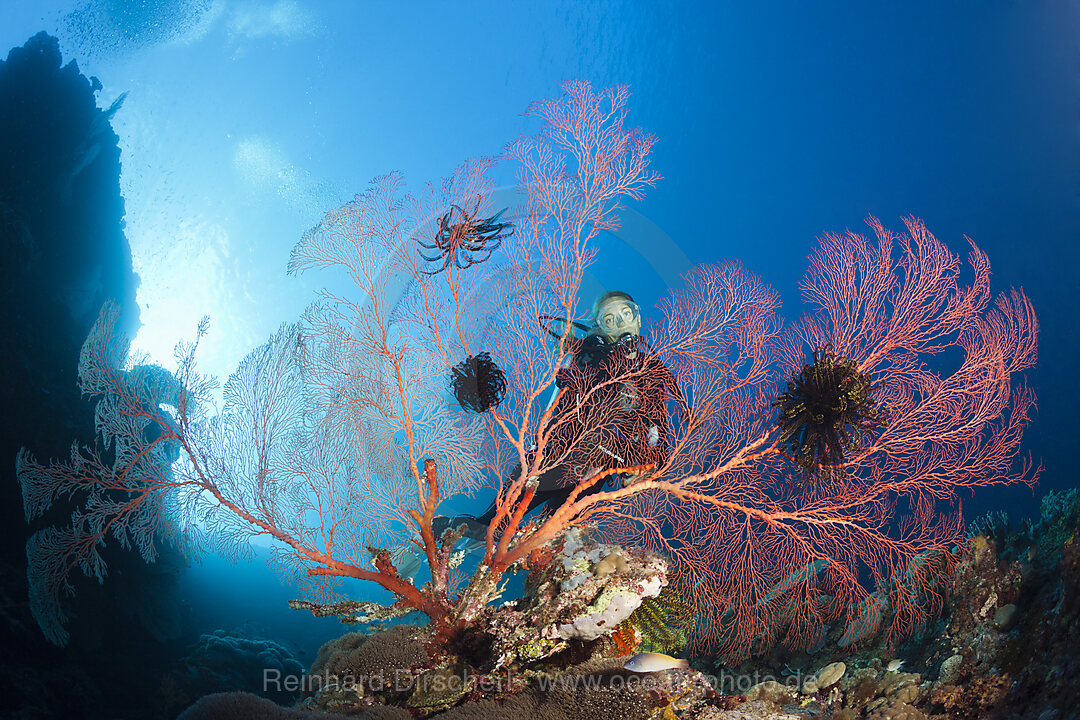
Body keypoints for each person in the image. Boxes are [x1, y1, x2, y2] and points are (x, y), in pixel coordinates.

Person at [436, 290, 694, 541]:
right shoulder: (591, 353)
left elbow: (657, 424)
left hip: (594, 471)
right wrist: (595, 349)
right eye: (609, 319)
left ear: (638, 318)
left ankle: (483, 543)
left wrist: (649, 463)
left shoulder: (652, 372)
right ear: (600, 327)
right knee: (490, 525)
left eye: (626, 314)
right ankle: (447, 531)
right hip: (553, 455)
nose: (620, 323)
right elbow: (577, 388)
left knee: (550, 539)